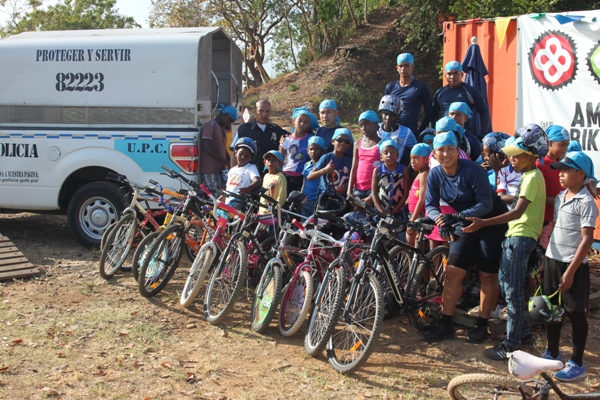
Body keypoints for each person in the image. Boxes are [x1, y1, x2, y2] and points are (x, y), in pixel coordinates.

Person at [463, 125, 548, 360]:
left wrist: (484, 222)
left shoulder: (532, 177)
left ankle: (511, 344)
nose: (512, 159)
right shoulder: (529, 176)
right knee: (507, 284)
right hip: (516, 236)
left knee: (513, 292)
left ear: (531, 155)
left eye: (516, 155)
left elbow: (517, 212)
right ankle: (524, 334)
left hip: (520, 237)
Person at [422, 131, 508, 343]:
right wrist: (441, 220)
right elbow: (430, 204)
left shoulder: (473, 170)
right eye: (441, 150)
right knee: (453, 273)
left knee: (487, 275)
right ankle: (446, 323)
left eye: (450, 149)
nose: (446, 154)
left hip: (490, 223)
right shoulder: (435, 174)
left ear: (458, 151)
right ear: (434, 154)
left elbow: (486, 204)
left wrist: (456, 217)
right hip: (464, 222)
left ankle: (482, 323)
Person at [541, 151, 598, 381]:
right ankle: (553, 352)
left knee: (575, 313)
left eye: (566, 170)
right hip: (553, 260)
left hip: (572, 265)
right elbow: (557, 229)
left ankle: (577, 362)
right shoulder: (561, 196)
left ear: (581, 174)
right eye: (560, 170)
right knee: (552, 309)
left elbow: (587, 239)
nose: (561, 174)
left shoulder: (586, 202)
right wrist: (546, 258)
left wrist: (571, 272)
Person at [432, 61, 492, 140]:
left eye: (456, 73)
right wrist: (434, 131)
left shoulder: (471, 92)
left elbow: (484, 112)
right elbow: (433, 114)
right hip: (444, 136)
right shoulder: (440, 93)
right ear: (445, 75)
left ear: (462, 74)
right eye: (449, 74)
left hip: (465, 136)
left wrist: (482, 135)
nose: (452, 77)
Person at [536, 125, 570, 250]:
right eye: (561, 144)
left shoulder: (563, 163)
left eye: (567, 145)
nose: (565, 149)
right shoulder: (540, 164)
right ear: (549, 143)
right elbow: (536, 194)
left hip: (558, 218)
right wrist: (558, 202)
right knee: (542, 253)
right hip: (543, 219)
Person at [233, 99, 289, 174]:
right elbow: (234, 153)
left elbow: (294, 137)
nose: (264, 114)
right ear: (255, 111)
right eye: (261, 111)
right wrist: (233, 173)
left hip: (270, 174)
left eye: (267, 111)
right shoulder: (244, 130)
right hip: (248, 174)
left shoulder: (276, 130)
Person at [383, 53, 434, 136]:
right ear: (397, 68)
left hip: (410, 133)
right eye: (401, 66)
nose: (403, 68)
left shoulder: (420, 87)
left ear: (412, 67)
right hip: (392, 132)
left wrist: (420, 131)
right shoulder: (390, 87)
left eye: (406, 65)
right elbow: (385, 110)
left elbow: (429, 111)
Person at [200, 105, 237, 195]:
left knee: (222, 195)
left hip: (220, 169)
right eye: (230, 120)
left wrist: (230, 162)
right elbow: (207, 148)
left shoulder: (222, 129)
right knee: (214, 196)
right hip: (210, 169)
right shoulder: (210, 126)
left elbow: (223, 148)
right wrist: (224, 161)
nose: (229, 124)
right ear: (225, 115)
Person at [347, 110, 381, 201]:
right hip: (358, 188)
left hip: (374, 189)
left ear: (375, 124)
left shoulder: (383, 144)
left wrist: (373, 195)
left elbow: (385, 170)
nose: (364, 128)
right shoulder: (357, 144)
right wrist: (349, 190)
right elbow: (354, 167)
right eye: (361, 125)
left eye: (367, 124)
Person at [308, 128, 353, 196]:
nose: (343, 143)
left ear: (349, 145)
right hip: (327, 197)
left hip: (343, 199)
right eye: (340, 140)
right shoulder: (326, 158)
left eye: (346, 141)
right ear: (333, 141)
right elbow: (310, 176)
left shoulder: (349, 161)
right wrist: (325, 170)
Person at [221, 137, 261, 211]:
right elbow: (227, 191)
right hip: (228, 205)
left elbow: (257, 181)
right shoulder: (232, 170)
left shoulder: (251, 168)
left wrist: (247, 189)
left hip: (239, 206)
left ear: (251, 157)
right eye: (240, 154)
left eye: (247, 156)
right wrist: (215, 203)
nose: (243, 157)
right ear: (235, 153)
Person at [371, 139, 409, 217]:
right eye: (386, 153)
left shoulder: (404, 170)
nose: (389, 155)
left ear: (398, 155)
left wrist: (395, 211)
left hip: (399, 212)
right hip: (380, 211)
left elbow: (405, 193)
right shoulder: (377, 170)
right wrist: (381, 211)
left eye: (393, 152)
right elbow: (374, 192)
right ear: (381, 157)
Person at [377, 94, 417, 167]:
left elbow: (416, 152)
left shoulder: (406, 132)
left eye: (392, 115)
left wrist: (408, 170)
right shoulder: (375, 128)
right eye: (385, 114)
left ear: (398, 116)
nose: (388, 118)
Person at [406, 143, 432, 247]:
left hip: (418, 216)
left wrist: (412, 220)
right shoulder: (419, 174)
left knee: (414, 247)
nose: (412, 161)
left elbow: (422, 199)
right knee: (410, 246)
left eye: (416, 158)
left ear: (427, 159)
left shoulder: (425, 175)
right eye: (411, 158)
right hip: (413, 214)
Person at [280, 108, 312, 193]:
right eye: (299, 121)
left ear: (308, 125)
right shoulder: (286, 140)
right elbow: (280, 159)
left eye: (305, 122)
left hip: (302, 177)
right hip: (286, 175)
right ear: (293, 121)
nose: (302, 124)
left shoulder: (311, 139)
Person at [301, 136, 326, 217]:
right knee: (303, 223)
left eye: (316, 149)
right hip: (305, 200)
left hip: (318, 202)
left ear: (323, 151)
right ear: (307, 151)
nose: (313, 152)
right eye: (311, 149)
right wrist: (301, 196)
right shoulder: (307, 165)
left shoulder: (324, 166)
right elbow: (304, 183)